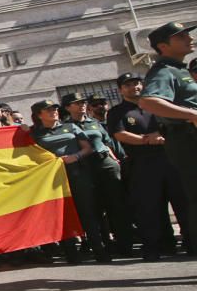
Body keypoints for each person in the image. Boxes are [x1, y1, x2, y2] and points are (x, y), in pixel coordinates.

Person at [108, 72, 191, 260]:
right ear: (121, 90)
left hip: (170, 160)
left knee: (183, 203)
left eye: (137, 83)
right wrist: (147, 140)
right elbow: (120, 134)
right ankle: (157, 247)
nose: (134, 87)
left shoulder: (156, 106)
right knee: (150, 208)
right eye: (128, 85)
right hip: (143, 164)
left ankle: (192, 244)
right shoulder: (118, 112)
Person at [139, 21, 197, 257]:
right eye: (181, 36)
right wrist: (193, 114)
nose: (189, 38)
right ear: (163, 46)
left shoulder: (180, 69)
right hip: (187, 140)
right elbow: (149, 101)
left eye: (187, 34)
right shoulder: (163, 71)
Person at [30, 99, 108, 263]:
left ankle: (99, 250)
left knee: (88, 213)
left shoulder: (70, 127)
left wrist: (76, 156)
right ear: (39, 115)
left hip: (78, 174)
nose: (53, 112)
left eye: (54, 109)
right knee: (62, 215)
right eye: (48, 110)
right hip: (53, 180)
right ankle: (71, 253)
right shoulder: (35, 134)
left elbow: (88, 148)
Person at [62, 91, 132, 256]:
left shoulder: (94, 122)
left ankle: (125, 244)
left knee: (116, 205)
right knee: (94, 209)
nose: (82, 105)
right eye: (77, 103)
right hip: (85, 168)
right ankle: (104, 244)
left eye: (83, 102)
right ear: (67, 107)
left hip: (105, 165)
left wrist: (118, 160)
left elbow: (109, 143)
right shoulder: (65, 127)